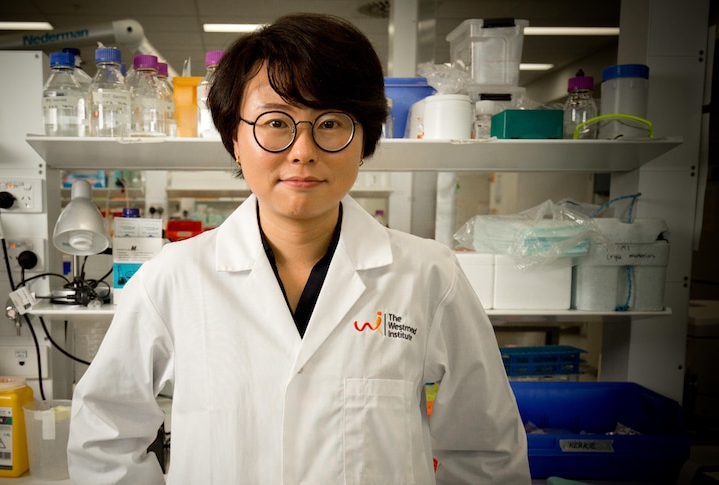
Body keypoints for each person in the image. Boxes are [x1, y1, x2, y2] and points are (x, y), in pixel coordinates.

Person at [68, 12, 530, 484]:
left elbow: (485, 450)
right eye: (275, 122)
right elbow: (104, 435)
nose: (303, 150)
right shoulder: (174, 277)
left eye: (330, 123)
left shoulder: (429, 276)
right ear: (235, 140)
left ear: (365, 140)